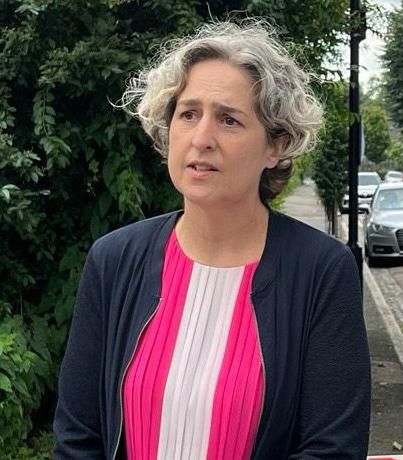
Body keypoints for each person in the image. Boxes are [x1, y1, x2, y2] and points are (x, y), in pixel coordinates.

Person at [53, 20, 370, 459]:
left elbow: (331, 448)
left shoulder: (321, 271)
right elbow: (78, 438)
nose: (202, 139)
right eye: (188, 114)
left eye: (229, 120)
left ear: (276, 145)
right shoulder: (114, 260)